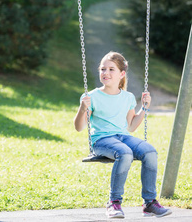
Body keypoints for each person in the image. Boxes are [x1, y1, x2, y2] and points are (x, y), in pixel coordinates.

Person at [73, 51, 172, 219]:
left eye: (111, 69)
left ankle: (149, 203)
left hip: (123, 137)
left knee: (150, 152)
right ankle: (114, 203)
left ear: (122, 74)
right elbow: (79, 127)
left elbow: (131, 126)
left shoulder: (128, 97)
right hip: (102, 140)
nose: (106, 73)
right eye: (103, 69)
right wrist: (83, 109)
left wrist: (145, 108)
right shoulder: (92, 97)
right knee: (125, 153)